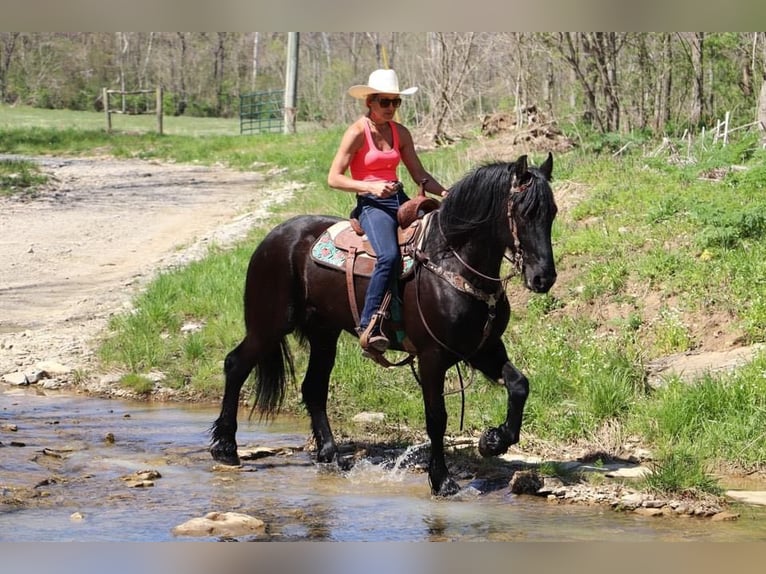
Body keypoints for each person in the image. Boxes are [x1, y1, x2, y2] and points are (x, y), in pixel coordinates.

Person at [328, 68, 447, 354]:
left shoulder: (400, 132)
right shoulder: (357, 132)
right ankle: (370, 324)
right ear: (370, 101)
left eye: (396, 102)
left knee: (437, 241)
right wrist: (370, 188)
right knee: (390, 256)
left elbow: (419, 173)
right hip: (371, 205)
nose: (391, 108)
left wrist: (445, 193)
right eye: (385, 102)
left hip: (400, 199)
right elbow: (334, 177)